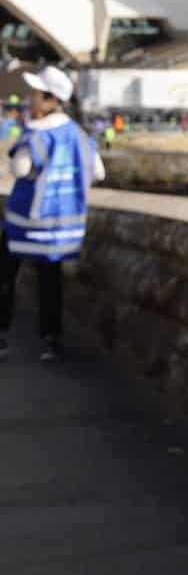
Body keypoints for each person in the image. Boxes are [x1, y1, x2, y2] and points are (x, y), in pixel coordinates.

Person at [3, 66, 103, 364]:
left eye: (36, 92)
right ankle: (51, 339)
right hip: (61, 225)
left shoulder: (36, 134)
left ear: (50, 99)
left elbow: (20, 169)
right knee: (50, 281)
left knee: (5, 275)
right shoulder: (78, 135)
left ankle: (1, 334)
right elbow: (98, 172)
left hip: (25, 221)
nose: (30, 97)